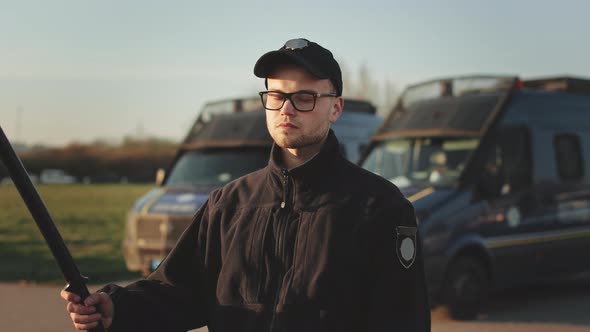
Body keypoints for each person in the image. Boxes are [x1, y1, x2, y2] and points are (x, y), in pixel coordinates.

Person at [62, 38, 431, 332]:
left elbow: (401, 319)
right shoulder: (228, 204)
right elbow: (178, 291)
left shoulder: (379, 206)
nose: (286, 109)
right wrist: (116, 309)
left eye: (305, 97)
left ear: (335, 108)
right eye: (276, 96)